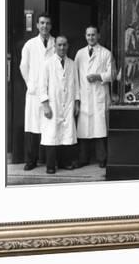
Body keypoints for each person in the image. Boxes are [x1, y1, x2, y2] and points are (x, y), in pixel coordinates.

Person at [74, 26, 114, 168]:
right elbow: (75, 78)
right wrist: (77, 100)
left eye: (93, 35)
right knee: (84, 130)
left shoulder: (106, 53)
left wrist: (98, 76)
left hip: (99, 95)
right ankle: (83, 159)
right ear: (85, 36)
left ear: (98, 36)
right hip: (84, 96)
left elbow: (112, 74)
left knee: (99, 129)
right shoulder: (79, 54)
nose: (91, 37)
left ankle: (102, 158)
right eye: (88, 35)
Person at [39, 35, 80, 174]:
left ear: (68, 46)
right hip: (53, 104)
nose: (62, 47)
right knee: (52, 135)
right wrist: (45, 105)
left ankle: (64, 163)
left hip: (68, 104)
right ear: (55, 46)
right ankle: (50, 165)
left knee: (66, 134)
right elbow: (42, 86)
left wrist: (76, 102)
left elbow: (76, 85)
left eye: (64, 45)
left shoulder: (72, 63)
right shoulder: (47, 63)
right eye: (59, 45)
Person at [19, 13, 55, 171]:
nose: (44, 26)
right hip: (34, 93)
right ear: (36, 25)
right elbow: (23, 66)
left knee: (50, 127)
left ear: (51, 26)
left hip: (50, 92)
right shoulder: (30, 45)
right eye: (42, 23)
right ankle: (31, 160)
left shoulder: (56, 43)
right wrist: (31, 85)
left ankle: (50, 162)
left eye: (47, 23)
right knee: (33, 127)